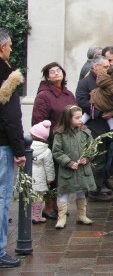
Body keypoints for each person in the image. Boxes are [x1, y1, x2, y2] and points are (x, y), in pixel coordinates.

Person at [31, 62, 79, 217]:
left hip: (68, 139)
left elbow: (76, 112)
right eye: (52, 71)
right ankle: (49, 207)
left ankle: (60, 205)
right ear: (47, 76)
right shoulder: (44, 95)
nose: (57, 73)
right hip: (51, 140)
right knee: (50, 175)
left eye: (59, 70)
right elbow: (38, 121)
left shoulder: (68, 94)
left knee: (63, 174)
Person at [0, 28, 25, 268]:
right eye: (9, 45)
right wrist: (19, 150)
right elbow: (10, 118)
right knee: (1, 196)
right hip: (2, 146)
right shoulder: (8, 77)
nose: (11, 49)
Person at [75, 55, 113, 201]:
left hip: (108, 126)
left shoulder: (110, 81)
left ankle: (99, 185)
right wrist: (100, 112)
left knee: (104, 158)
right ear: (95, 67)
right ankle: (93, 190)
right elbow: (82, 101)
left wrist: (112, 111)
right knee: (95, 159)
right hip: (93, 126)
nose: (108, 69)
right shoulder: (85, 82)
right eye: (105, 67)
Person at [51, 105, 97, 229]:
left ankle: (82, 215)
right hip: (67, 170)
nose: (80, 120)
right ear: (68, 118)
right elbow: (57, 152)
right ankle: (62, 217)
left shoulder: (85, 132)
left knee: (82, 191)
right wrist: (68, 162)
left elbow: (93, 148)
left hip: (82, 169)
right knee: (64, 192)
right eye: (77, 118)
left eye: (81, 117)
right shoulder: (60, 134)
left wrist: (87, 158)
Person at [30, 120, 55, 224]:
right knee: (39, 197)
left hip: (27, 175)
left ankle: (26, 215)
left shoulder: (27, 146)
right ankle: (36, 216)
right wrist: (50, 179)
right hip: (39, 177)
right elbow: (49, 166)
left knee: (27, 196)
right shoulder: (46, 150)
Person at [89, 63, 113, 131]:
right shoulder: (111, 83)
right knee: (88, 115)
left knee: (108, 117)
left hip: (97, 102)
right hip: (98, 104)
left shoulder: (106, 80)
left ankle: (112, 130)